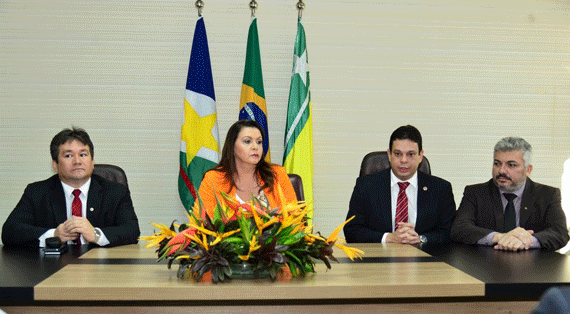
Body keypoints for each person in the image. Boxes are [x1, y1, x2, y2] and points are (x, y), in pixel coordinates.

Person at [2, 127, 140, 248]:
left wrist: (95, 234)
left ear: (92, 162)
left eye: (83, 154)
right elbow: (9, 232)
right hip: (52, 269)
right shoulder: (37, 192)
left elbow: (132, 231)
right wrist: (54, 234)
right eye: (68, 155)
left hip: (101, 269)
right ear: (55, 165)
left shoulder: (115, 192)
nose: (77, 161)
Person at [451, 137, 569, 251]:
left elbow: (560, 233)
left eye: (511, 165)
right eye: (497, 163)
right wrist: (499, 237)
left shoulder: (547, 194)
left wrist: (528, 240)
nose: (501, 170)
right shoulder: (475, 193)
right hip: (485, 264)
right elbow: (459, 228)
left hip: (534, 265)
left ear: (528, 170)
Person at [344, 125, 456, 244]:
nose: (403, 160)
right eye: (397, 154)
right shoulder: (366, 186)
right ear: (389, 155)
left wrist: (420, 239)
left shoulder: (441, 189)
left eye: (411, 154)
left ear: (420, 156)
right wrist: (388, 238)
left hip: (424, 259)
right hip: (379, 258)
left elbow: (449, 232)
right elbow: (352, 230)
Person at [195, 120, 297, 217]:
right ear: (232, 147)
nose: (255, 147)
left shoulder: (277, 174)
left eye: (259, 142)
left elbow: (295, 219)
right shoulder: (213, 179)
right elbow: (199, 223)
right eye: (247, 141)